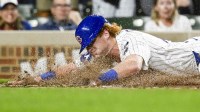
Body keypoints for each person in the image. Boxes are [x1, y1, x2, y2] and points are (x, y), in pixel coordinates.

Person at [11, 15, 200, 86]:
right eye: (87, 45)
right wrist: (36, 79)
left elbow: (133, 64)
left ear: (105, 33)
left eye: (92, 42)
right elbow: (73, 67)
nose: (90, 48)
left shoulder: (129, 38)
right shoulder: (100, 52)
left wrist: (99, 80)